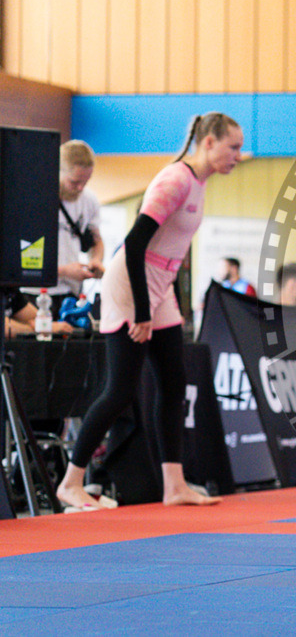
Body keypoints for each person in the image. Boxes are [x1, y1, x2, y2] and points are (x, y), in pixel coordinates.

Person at [55, 112, 242, 511]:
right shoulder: (175, 179)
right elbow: (135, 244)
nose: (238, 156)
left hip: (160, 286)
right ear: (208, 143)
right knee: (120, 390)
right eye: (233, 147)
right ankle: (70, 482)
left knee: (174, 383)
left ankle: (173, 486)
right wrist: (142, 311)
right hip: (131, 285)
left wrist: (158, 300)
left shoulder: (199, 182)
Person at [24, 141, 105, 318]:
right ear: (58, 171)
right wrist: (64, 271)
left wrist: (96, 261)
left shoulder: (89, 200)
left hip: (70, 292)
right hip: (33, 293)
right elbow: (21, 258)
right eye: (74, 182)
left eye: (86, 181)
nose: (80, 188)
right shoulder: (34, 198)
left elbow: (96, 240)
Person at [4, 292, 72, 338]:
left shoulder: (8, 287)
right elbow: (4, 329)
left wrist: (48, 326)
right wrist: (43, 328)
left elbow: (32, 316)